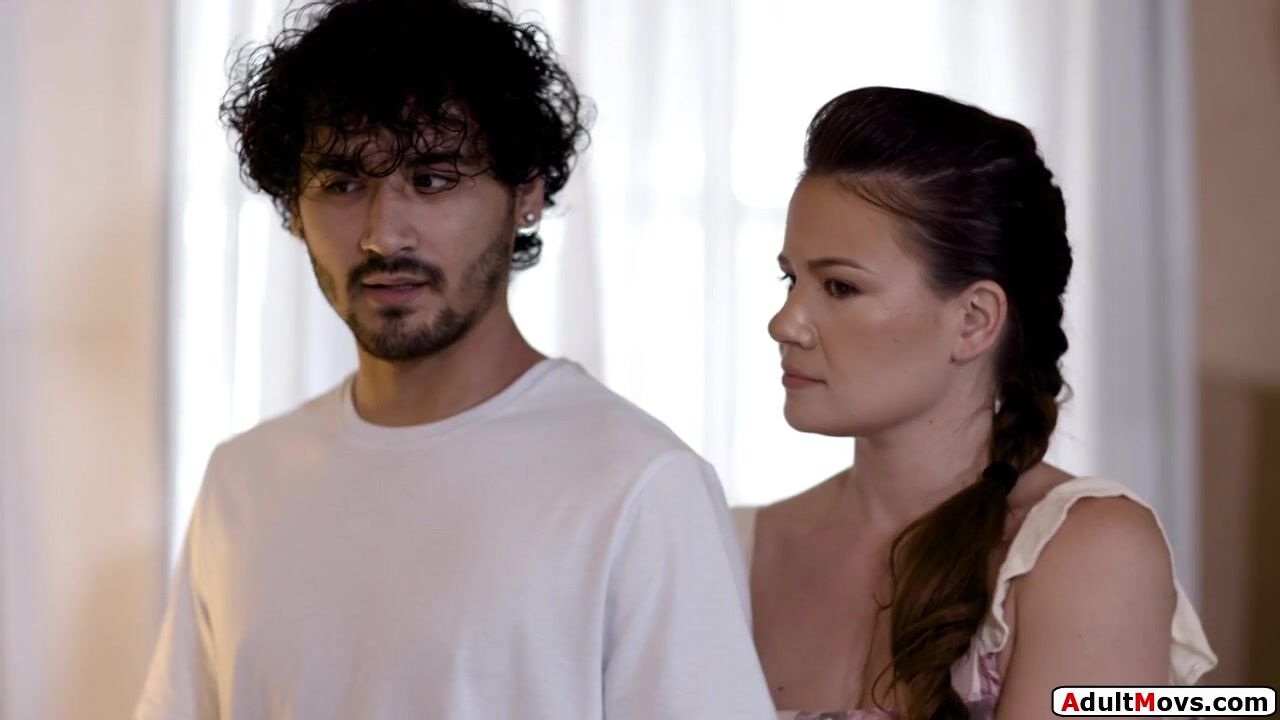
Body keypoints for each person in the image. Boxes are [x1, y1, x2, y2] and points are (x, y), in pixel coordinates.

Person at [135, 1, 774, 717]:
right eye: (342, 184)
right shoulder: (245, 479)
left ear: (526, 192)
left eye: (432, 179)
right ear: (292, 209)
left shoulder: (640, 484)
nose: (383, 235)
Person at [733, 86, 1216, 719]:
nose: (784, 323)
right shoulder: (732, 546)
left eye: (840, 287)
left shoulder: (1088, 551)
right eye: (790, 279)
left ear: (974, 320)